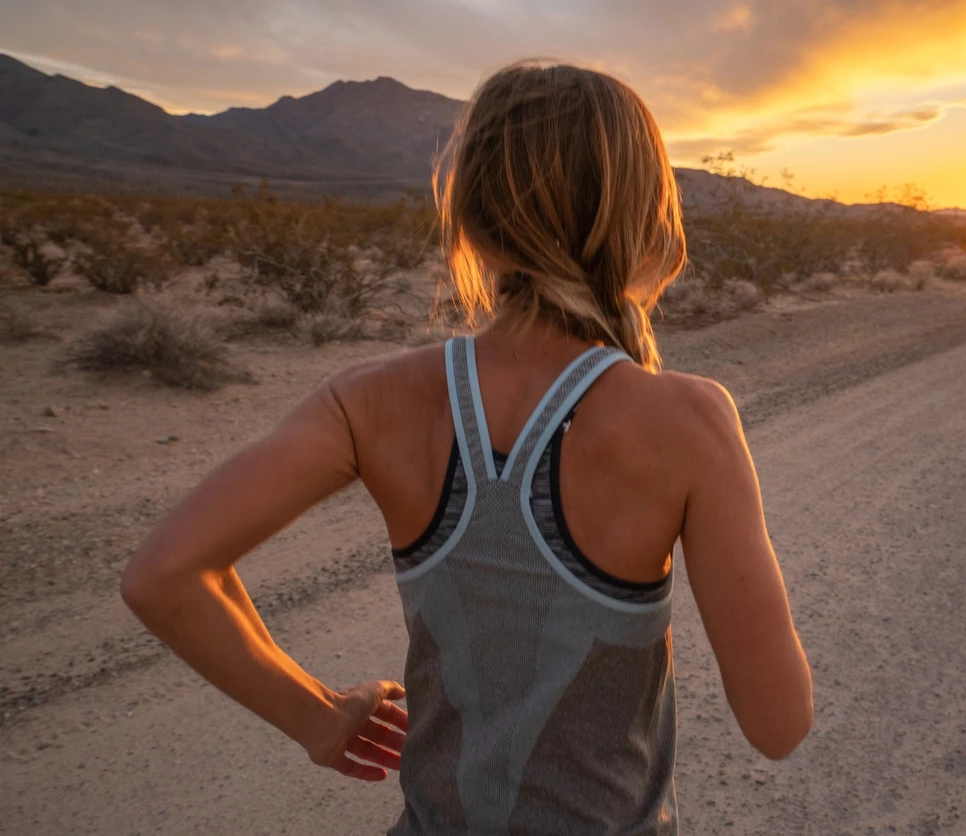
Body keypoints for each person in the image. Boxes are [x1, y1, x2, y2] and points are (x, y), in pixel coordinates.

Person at [122, 60, 812, 834]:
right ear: (648, 220)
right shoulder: (687, 420)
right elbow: (778, 723)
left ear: (474, 226)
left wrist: (317, 717)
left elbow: (164, 576)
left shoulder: (368, 399)